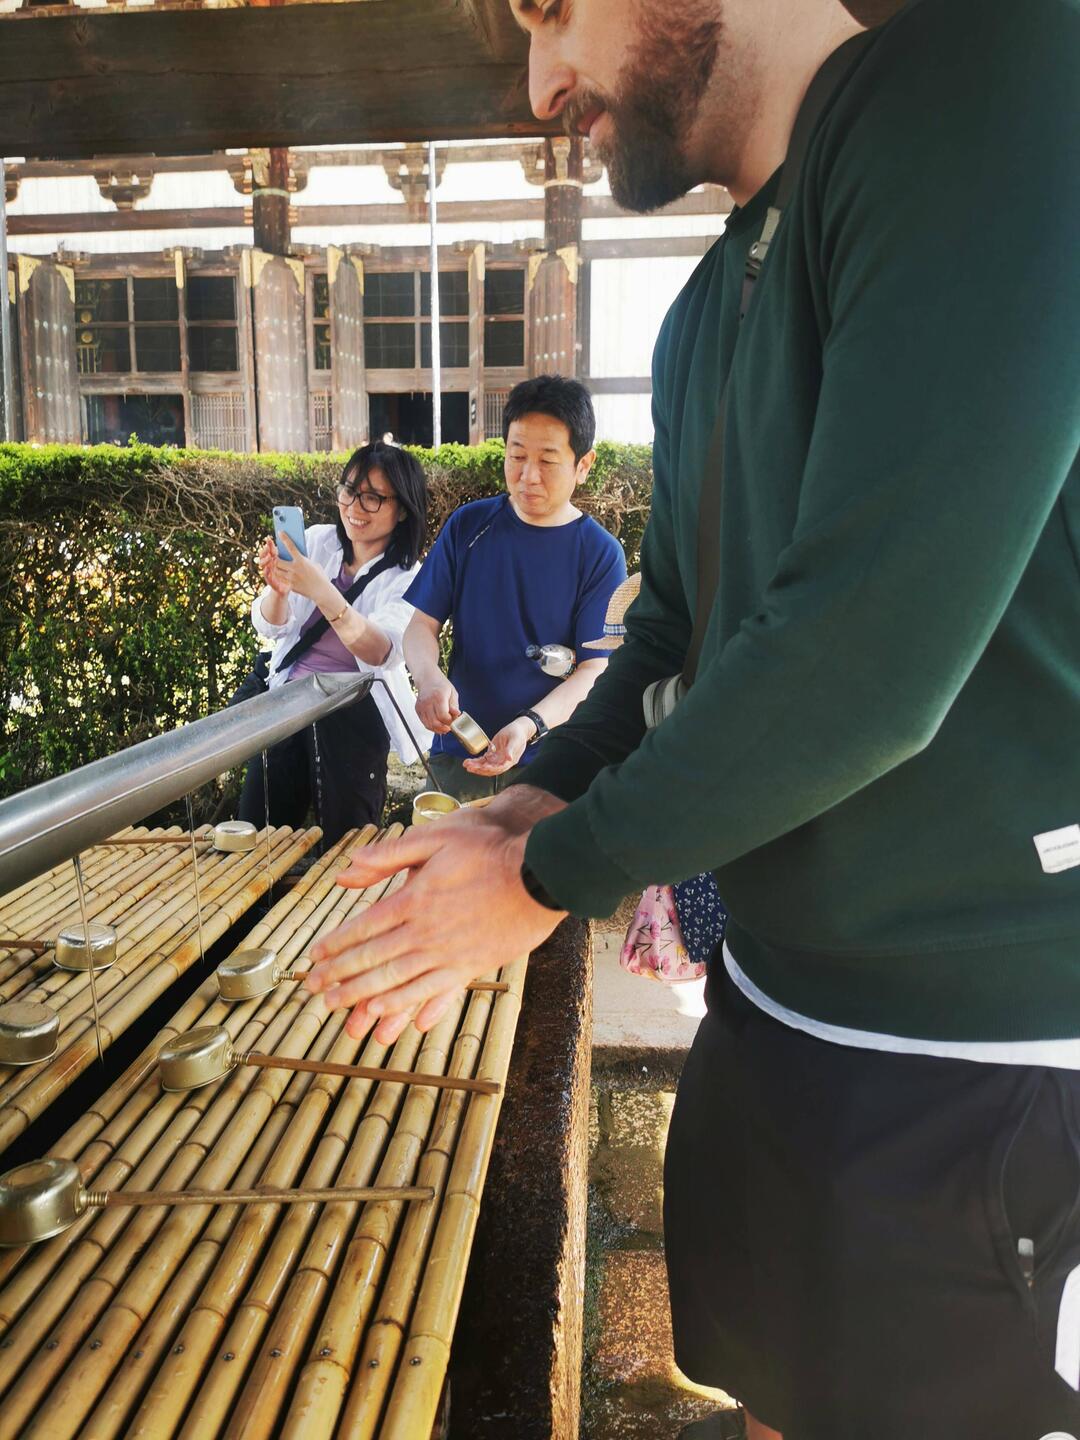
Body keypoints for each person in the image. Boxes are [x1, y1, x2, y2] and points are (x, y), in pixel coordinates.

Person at [306, 2, 1080, 1438]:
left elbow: (866, 660)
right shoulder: (705, 306)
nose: (542, 84)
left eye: (549, 9)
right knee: (774, 1400)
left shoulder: (992, 70)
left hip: (996, 1049)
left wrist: (549, 882)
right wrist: (529, 805)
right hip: (775, 999)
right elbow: (676, 641)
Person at [402, 374, 627, 799]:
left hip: (552, 761)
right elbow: (420, 626)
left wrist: (529, 725)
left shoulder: (600, 554)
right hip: (458, 753)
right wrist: (429, 678)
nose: (527, 476)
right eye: (516, 455)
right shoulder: (469, 526)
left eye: (547, 461)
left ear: (584, 464)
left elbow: (594, 670)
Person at [238, 441, 432, 847]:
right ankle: (260, 910)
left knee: (349, 840)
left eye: (373, 498)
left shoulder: (408, 577)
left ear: (402, 509)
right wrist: (278, 591)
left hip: (352, 714)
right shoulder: (319, 541)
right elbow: (271, 628)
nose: (354, 508)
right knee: (261, 830)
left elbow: (381, 650)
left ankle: (346, 910)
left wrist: (322, 590)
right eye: (348, 490)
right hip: (286, 702)